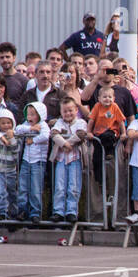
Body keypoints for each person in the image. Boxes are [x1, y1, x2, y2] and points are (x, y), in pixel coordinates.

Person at [49, 96, 88, 226]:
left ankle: (72, 211)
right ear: (61, 112)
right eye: (65, 111)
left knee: (74, 186)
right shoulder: (59, 123)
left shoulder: (81, 122)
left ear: (76, 110)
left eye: (70, 110)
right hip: (61, 159)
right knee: (60, 186)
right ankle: (58, 211)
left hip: (75, 158)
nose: (68, 113)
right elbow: (54, 133)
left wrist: (67, 143)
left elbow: (81, 134)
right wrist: (64, 143)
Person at [13, 101, 51, 225]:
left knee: (35, 188)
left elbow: (45, 136)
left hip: (38, 161)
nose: (30, 117)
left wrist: (33, 140)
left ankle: (35, 212)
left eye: (33, 114)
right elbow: (17, 130)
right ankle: (22, 210)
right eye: (28, 114)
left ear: (40, 115)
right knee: (23, 187)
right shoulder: (26, 124)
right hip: (26, 160)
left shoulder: (43, 125)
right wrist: (30, 128)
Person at [0, 108, 21, 226]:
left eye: (8, 123)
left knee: (12, 192)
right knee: (0, 192)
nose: (6, 125)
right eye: (3, 123)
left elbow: (16, 150)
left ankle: (14, 213)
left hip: (10, 169)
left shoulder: (16, 135)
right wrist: (0, 137)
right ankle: (3, 213)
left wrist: (11, 138)